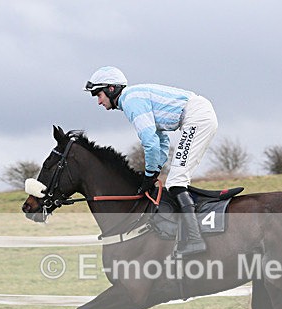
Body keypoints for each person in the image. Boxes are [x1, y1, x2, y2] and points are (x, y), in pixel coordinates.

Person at [84, 66, 218, 256]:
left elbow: (149, 141)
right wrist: (154, 171)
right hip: (197, 115)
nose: (98, 101)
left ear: (111, 89)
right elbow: (161, 139)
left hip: (196, 117)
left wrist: (149, 174)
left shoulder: (131, 101)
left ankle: (195, 240)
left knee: (176, 182)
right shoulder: (132, 98)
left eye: (98, 94)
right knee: (176, 180)